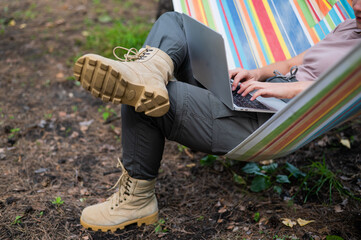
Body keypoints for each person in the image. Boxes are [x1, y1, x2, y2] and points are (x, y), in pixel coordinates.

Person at [73, 0, 361, 232]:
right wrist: (258, 73)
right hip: (257, 97)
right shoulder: (349, 27)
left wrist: (292, 90)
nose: (357, 7)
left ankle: (136, 201)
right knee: (176, 23)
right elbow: (295, 62)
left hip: (272, 121)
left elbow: (340, 89)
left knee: (141, 96)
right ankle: (148, 73)